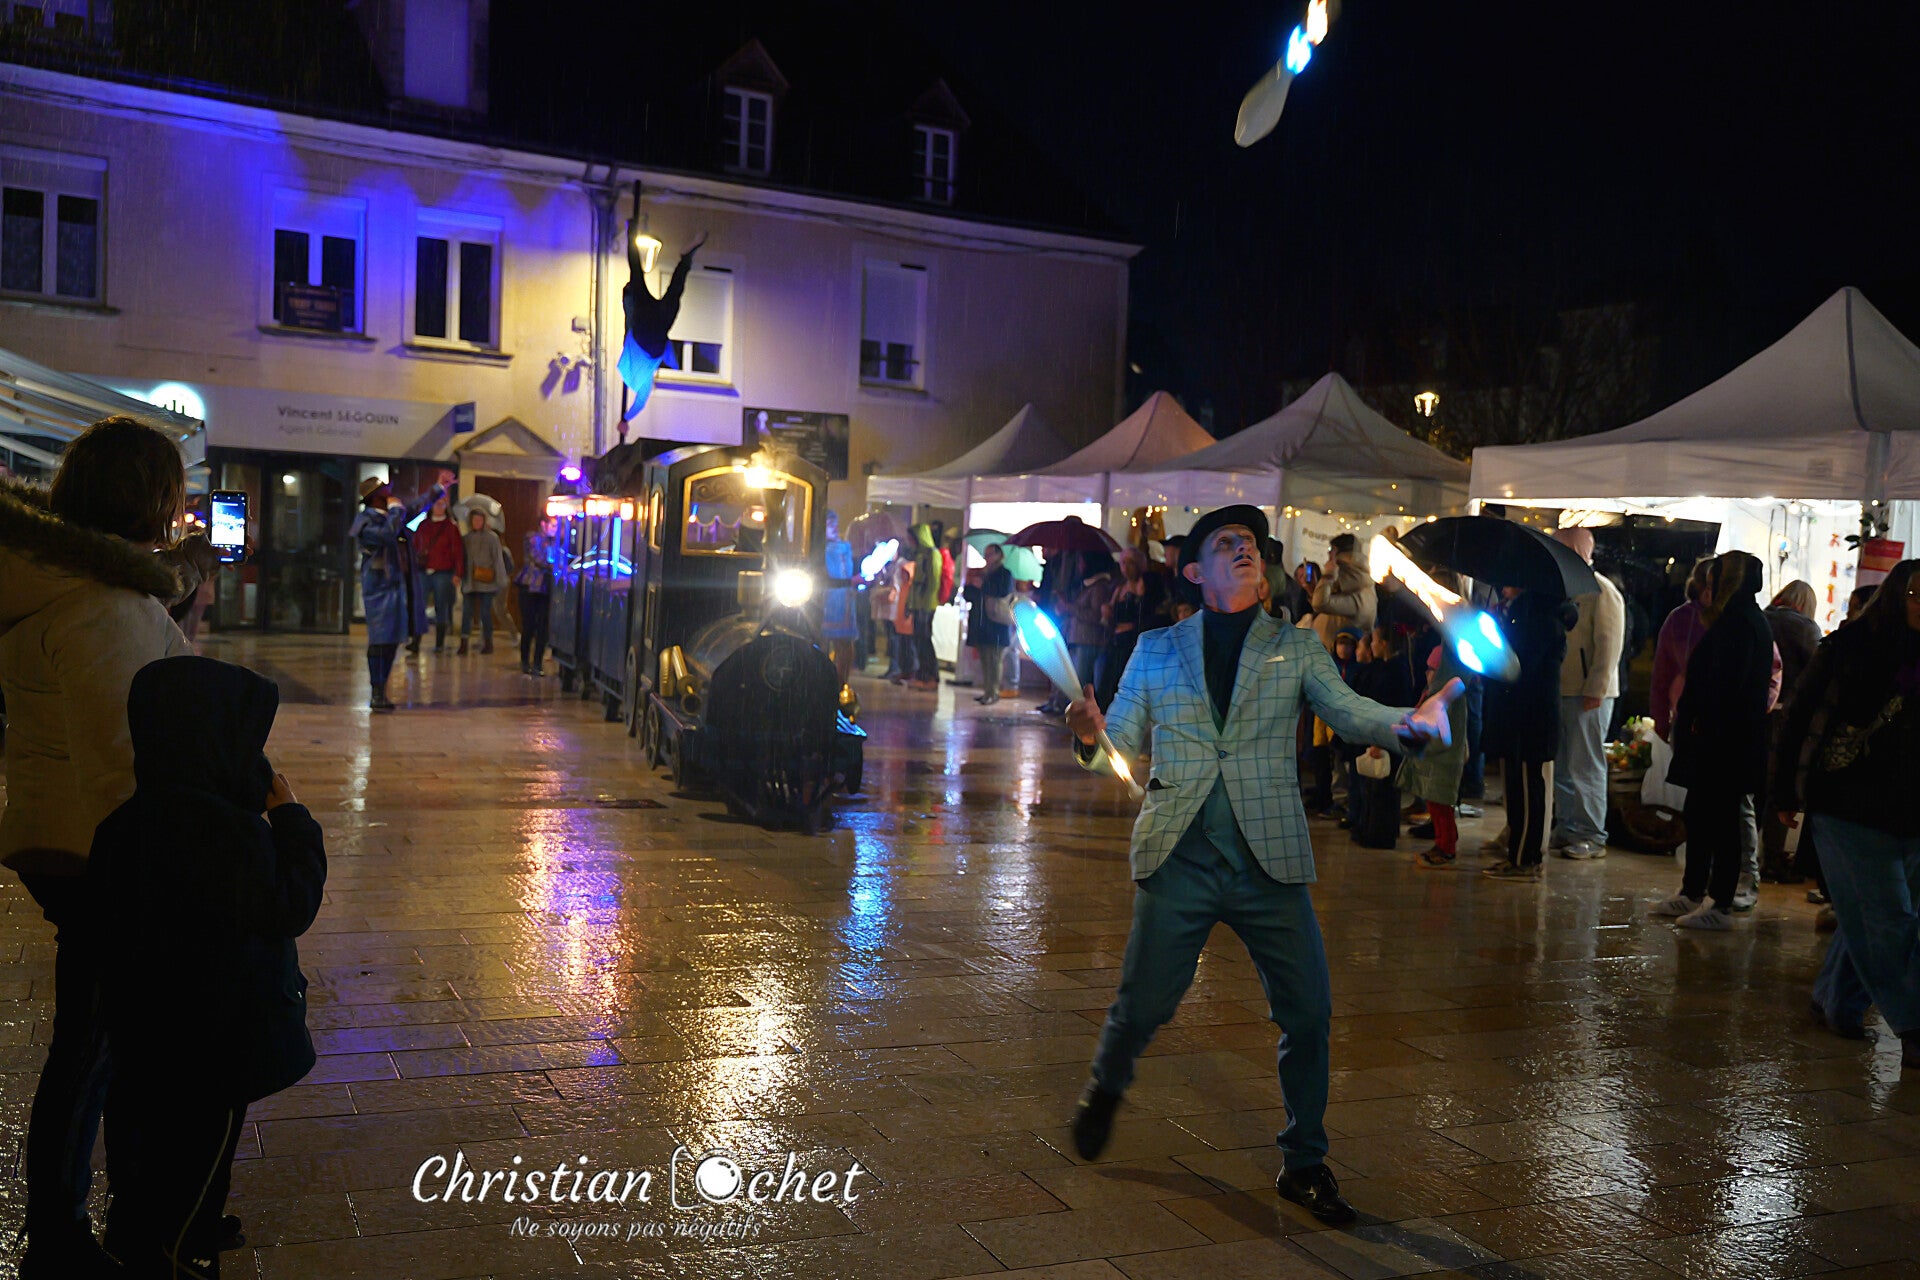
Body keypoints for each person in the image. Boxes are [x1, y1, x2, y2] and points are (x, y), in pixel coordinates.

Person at [1061, 505, 1461, 1226]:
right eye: (1226, 542)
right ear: (1194, 570)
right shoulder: (1156, 648)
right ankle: (1105, 1087)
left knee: (1309, 1011)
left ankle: (1304, 1161)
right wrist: (1090, 736)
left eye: (1250, 541)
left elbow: (1348, 710)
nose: (1245, 548)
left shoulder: (1295, 645)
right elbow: (1116, 745)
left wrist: (1407, 722)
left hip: (1267, 859)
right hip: (1179, 854)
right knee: (1142, 1006)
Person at [0, 418, 199, 1276]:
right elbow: (122, 761)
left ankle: (130, 1215)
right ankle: (59, 1239)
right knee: (91, 1049)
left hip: (64, 836)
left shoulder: (74, 585)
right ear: (151, 499)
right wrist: (169, 868)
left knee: (113, 1040)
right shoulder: (103, 606)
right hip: (99, 852)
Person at [88, 656, 326, 1278]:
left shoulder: (124, 825)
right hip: (217, 1043)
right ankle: (182, 1251)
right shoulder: (228, 834)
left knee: (141, 1139)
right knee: (202, 1155)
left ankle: (136, 1227)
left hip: (143, 1034)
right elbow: (291, 904)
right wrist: (293, 819)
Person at [1773, 560, 1920, 1067]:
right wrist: (1785, 792)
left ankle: (1836, 998)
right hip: (1849, 803)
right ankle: (1914, 1024)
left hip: (1912, 810)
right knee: (1888, 917)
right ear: (1897, 596)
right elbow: (1798, 716)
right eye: (1917, 595)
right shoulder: (1850, 647)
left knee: (1874, 914)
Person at [1652, 551, 1775, 930]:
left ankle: (1719, 901)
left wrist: (1701, 721)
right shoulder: (1736, 619)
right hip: (1718, 740)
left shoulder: (1741, 623)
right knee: (1702, 816)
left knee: (1720, 822)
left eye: (1716, 579)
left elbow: (1726, 686)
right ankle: (1694, 890)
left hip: (1724, 743)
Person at [1481, 586, 1574, 882]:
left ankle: (1525, 858)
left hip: (1530, 717)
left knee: (1526, 786)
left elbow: (1519, 665)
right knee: (1518, 787)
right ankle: (1517, 854)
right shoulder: (1528, 614)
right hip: (1521, 716)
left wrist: (1498, 637)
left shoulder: (1541, 619)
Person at [1551, 528, 1627, 860]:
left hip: (1587, 693)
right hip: (1565, 688)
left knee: (1585, 765)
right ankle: (1568, 827)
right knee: (1564, 765)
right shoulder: (1565, 588)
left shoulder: (1602, 590)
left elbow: (1609, 644)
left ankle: (1591, 834)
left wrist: (1596, 687)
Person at [350, 477, 442, 711]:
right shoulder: (366, 521)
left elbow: (415, 508)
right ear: (375, 498)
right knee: (380, 640)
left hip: (399, 587)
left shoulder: (393, 515)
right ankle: (376, 691)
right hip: (380, 589)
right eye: (385, 491)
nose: (390, 494)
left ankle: (382, 690)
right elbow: (386, 535)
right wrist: (394, 512)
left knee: (392, 641)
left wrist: (438, 487)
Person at [1760, 580, 1823, 879]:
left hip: (1755, 714)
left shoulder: (1761, 618)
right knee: (1778, 786)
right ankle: (1772, 859)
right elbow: (1818, 673)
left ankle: (1744, 857)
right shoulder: (1806, 628)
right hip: (1786, 717)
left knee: (1753, 788)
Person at [1404, 646, 1471, 868]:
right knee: (1436, 805)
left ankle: (1446, 848)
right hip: (1435, 760)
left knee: (1442, 806)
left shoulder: (1449, 699)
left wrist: (1422, 745)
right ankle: (1442, 843)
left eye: (1432, 669)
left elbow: (1445, 734)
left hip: (1443, 760)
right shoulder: (1436, 694)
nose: (1427, 673)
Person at [1095, 548, 1166, 709]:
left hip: (1133, 642)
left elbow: (1151, 614)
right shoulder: (1120, 588)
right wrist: (1107, 611)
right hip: (1116, 642)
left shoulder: (1147, 585)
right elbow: (1110, 615)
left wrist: (1134, 625)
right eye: (1123, 563)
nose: (1125, 568)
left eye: (1130, 563)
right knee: (1108, 684)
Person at [413, 490, 464, 652]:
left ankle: (439, 643)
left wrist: (458, 573)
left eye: (442, 504)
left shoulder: (451, 527)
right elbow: (415, 546)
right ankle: (416, 641)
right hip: (424, 570)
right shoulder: (423, 526)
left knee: (441, 606)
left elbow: (458, 551)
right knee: (419, 606)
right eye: (436, 504)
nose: (439, 507)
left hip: (443, 571)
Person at [1309, 533, 1376, 651]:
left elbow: (1320, 603)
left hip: (1336, 658)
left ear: (1335, 552)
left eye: (1330, 550)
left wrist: (1328, 576)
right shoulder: (1358, 583)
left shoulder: (1357, 594)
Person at [459, 508, 511, 656]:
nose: (477, 522)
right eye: (474, 520)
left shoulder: (492, 538)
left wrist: (501, 580)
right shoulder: (466, 538)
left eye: (480, 520)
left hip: (488, 581)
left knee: (485, 612)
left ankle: (488, 642)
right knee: (467, 612)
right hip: (470, 580)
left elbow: (497, 559)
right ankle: (464, 642)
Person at [967, 543, 1015, 705]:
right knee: (985, 658)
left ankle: (993, 692)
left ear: (998, 555)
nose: (986, 558)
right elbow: (970, 594)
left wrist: (983, 585)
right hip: (982, 622)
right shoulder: (982, 572)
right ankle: (987, 691)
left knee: (994, 659)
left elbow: (1002, 591)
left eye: (989, 554)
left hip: (996, 622)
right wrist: (971, 583)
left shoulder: (1005, 573)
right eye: (985, 555)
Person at [1068, 555, 1118, 697]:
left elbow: (1097, 616)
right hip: (1084, 640)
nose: (1080, 566)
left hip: (1090, 641)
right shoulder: (1090, 585)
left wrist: (1070, 608)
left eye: (1082, 561)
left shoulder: (1099, 587)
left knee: (1083, 683)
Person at [821, 512, 859, 687]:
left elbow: (847, 574)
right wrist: (851, 581)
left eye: (835, 523)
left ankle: (840, 683)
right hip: (825, 601)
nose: (835, 527)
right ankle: (823, 681)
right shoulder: (819, 549)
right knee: (821, 642)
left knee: (844, 645)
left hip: (844, 601)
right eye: (830, 524)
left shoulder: (844, 547)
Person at [514, 530, 554, 676]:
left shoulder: (558, 540)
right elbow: (539, 558)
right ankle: (525, 660)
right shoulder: (532, 538)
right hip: (529, 587)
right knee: (529, 625)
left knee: (542, 627)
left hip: (546, 589)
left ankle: (537, 662)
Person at [907, 523, 941, 691]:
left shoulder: (932, 554)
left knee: (924, 640)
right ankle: (923, 674)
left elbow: (933, 582)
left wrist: (924, 604)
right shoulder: (920, 555)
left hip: (925, 605)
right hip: (918, 603)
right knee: (919, 640)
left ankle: (930, 675)